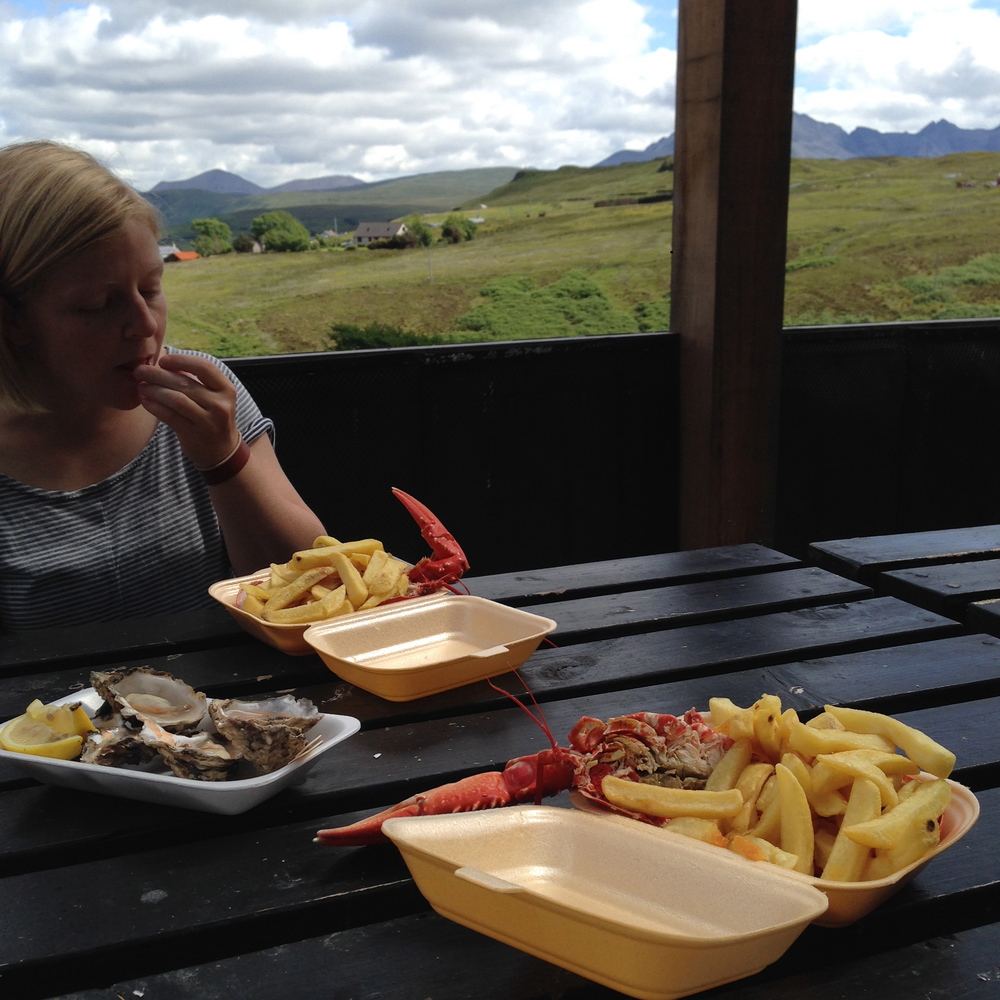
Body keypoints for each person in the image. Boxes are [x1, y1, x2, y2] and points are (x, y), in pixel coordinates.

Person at [0, 140, 327, 631]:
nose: (145, 325)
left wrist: (224, 460)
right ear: (13, 320)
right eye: (97, 304)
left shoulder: (201, 390)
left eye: (151, 288)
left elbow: (318, 584)